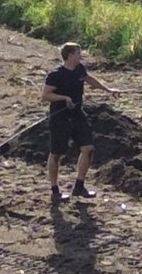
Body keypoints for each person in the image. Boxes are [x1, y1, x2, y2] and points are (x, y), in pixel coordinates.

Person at [41, 42, 114, 204]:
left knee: (88, 149)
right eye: (78, 53)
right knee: (56, 154)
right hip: (60, 119)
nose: (81, 55)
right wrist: (64, 98)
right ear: (70, 55)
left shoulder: (80, 69)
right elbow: (45, 95)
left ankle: (79, 186)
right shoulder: (56, 75)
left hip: (78, 115)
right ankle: (55, 190)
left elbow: (89, 80)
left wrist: (108, 90)